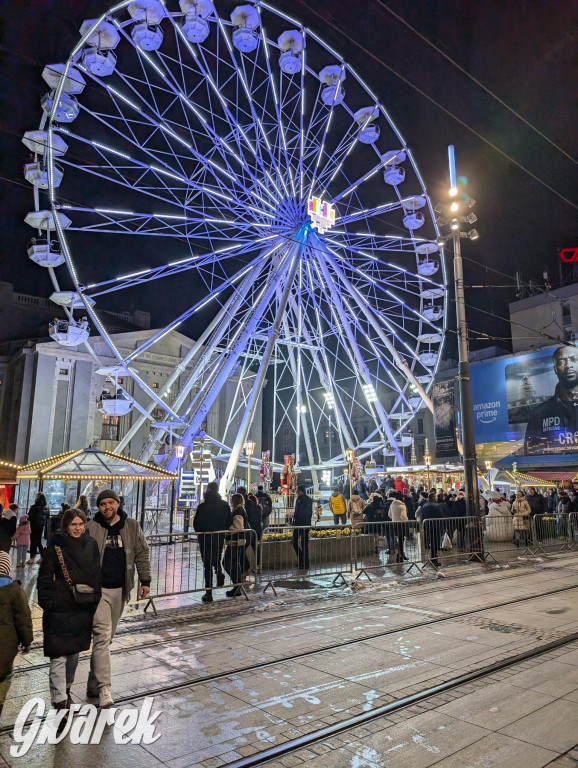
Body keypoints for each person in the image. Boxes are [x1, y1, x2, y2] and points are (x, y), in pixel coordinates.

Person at [86, 489, 150, 708]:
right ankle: (104, 688)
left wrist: (146, 580)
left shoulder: (131, 526)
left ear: (118, 503)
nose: (107, 507)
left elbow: (141, 553)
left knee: (107, 639)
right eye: (102, 503)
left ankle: (93, 680)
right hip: (98, 591)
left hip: (120, 590)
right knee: (102, 637)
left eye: (110, 502)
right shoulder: (90, 527)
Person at [37, 509, 101, 730]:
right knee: (58, 656)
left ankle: (66, 690)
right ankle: (59, 700)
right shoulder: (54, 548)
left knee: (73, 655)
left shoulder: (91, 545)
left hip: (81, 608)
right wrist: (49, 603)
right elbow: (44, 579)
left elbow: (95, 575)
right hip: (59, 609)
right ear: (65, 526)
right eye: (73, 524)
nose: (77, 528)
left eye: (81, 523)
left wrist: (94, 600)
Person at [524, 346, 578, 454]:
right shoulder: (539, 413)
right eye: (561, 362)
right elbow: (530, 453)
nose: (568, 366)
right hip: (557, 470)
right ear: (555, 369)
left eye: (574, 359)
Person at [0, 551, 33, 722]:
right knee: (4, 677)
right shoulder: (15, 590)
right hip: (5, 649)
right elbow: (23, 619)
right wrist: (27, 642)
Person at [193, 482, 231, 602]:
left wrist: (202, 531)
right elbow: (229, 521)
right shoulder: (225, 505)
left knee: (207, 564)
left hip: (205, 538)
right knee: (217, 557)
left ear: (208, 490)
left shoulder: (202, 506)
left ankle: (208, 592)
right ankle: (219, 570)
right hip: (219, 536)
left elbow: (196, 524)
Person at [223, 493, 248, 597]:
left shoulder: (238, 512)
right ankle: (237, 585)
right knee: (232, 563)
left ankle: (237, 585)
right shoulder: (240, 511)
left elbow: (238, 527)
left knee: (228, 563)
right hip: (238, 541)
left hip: (236, 541)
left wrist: (227, 531)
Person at [419, 493, 445, 567]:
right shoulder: (438, 506)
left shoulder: (424, 506)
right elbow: (441, 516)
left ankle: (432, 557)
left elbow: (422, 517)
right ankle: (434, 558)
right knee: (436, 543)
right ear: (433, 497)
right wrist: (444, 526)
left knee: (431, 541)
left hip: (428, 526)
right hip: (436, 526)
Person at [292, 485, 313, 571]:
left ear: (300, 491)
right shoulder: (305, 500)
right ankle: (304, 561)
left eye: (298, 491)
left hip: (300, 524)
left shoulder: (302, 500)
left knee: (297, 542)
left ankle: (303, 561)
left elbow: (300, 512)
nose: (297, 492)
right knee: (302, 544)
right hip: (304, 524)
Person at [27, 492, 49, 565]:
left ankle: (32, 558)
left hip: (33, 525)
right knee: (39, 541)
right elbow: (47, 518)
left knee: (33, 541)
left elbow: (29, 516)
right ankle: (42, 557)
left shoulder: (33, 506)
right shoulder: (46, 507)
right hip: (41, 526)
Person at [388, 490, 408, 563]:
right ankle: (400, 555)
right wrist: (406, 520)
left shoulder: (392, 504)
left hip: (394, 523)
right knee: (401, 540)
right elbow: (403, 516)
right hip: (401, 524)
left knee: (398, 540)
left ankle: (401, 554)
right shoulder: (402, 506)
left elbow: (389, 514)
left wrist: (394, 518)